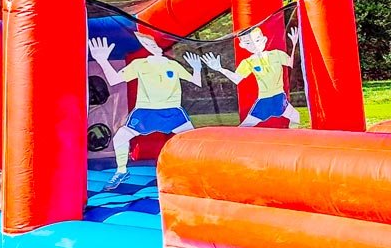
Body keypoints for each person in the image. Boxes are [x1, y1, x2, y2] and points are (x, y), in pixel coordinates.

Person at [88, 29, 203, 190]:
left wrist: (197, 69)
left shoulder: (173, 65)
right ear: (145, 46)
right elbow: (114, 80)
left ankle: (198, 170)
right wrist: (102, 61)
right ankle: (121, 171)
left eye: (154, 43)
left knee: (195, 141)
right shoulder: (140, 64)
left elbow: (196, 81)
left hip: (172, 112)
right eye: (147, 43)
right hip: (146, 112)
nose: (153, 46)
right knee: (120, 138)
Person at [202, 25, 301, 127]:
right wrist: (220, 69)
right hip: (265, 100)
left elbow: (290, 63)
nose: (254, 45)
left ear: (264, 39)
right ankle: (235, 141)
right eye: (248, 43)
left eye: (257, 40)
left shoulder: (276, 54)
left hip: (280, 98)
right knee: (245, 126)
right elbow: (237, 79)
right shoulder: (248, 62)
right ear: (242, 45)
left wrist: (294, 44)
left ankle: (293, 139)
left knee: (295, 117)